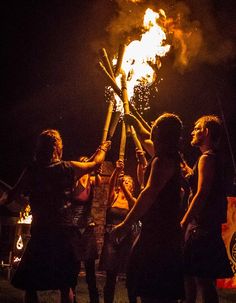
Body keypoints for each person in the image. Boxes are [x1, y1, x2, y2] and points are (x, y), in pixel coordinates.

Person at [1, 129, 110, 303]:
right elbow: (95, 164)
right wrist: (103, 149)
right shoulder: (67, 168)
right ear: (57, 148)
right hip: (63, 234)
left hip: (41, 233)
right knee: (64, 284)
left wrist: (2, 200)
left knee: (31, 284)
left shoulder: (32, 170)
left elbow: (11, 195)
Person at [111, 113, 185, 303]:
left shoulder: (163, 160)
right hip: (157, 233)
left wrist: (125, 225)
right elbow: (145, 136)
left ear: (159, 132)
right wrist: (134, 121)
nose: (150, 127)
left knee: (155, 292)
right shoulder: (164, 154)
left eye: (154, 125)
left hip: (161, 237)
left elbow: (148, 194)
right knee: (145, 284)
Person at [180, 115, 233, 303]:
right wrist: (185, 167)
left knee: (199, 281)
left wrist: (184, 221)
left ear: (207, 132)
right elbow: (198, 181)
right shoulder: (213, 158)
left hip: (200, 229)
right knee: (198, 279)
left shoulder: (207, 158)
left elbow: (201, 193)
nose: (192, 132)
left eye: (197, 128)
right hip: (206, 228)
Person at [98, 159, 137, 303]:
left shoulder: (132, 200)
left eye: (128, 182)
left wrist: (123, 186)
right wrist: (116, 170)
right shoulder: (113, 198)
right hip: (111, 238)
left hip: (127, 239)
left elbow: (134, 206)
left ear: (132, 187)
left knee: (130, 274)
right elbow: (110, 185)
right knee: (111, 275)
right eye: (124, 181)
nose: (125, 182)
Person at [71, 156, 101, 303]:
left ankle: (94, 300)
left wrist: (96, 168)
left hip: (88, 227)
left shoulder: (92, 180)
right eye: (82, 163)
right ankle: (72, 299)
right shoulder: (74, 181)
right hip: (74, 228)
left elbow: (99, 180)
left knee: (90, 272)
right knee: (73, 269)